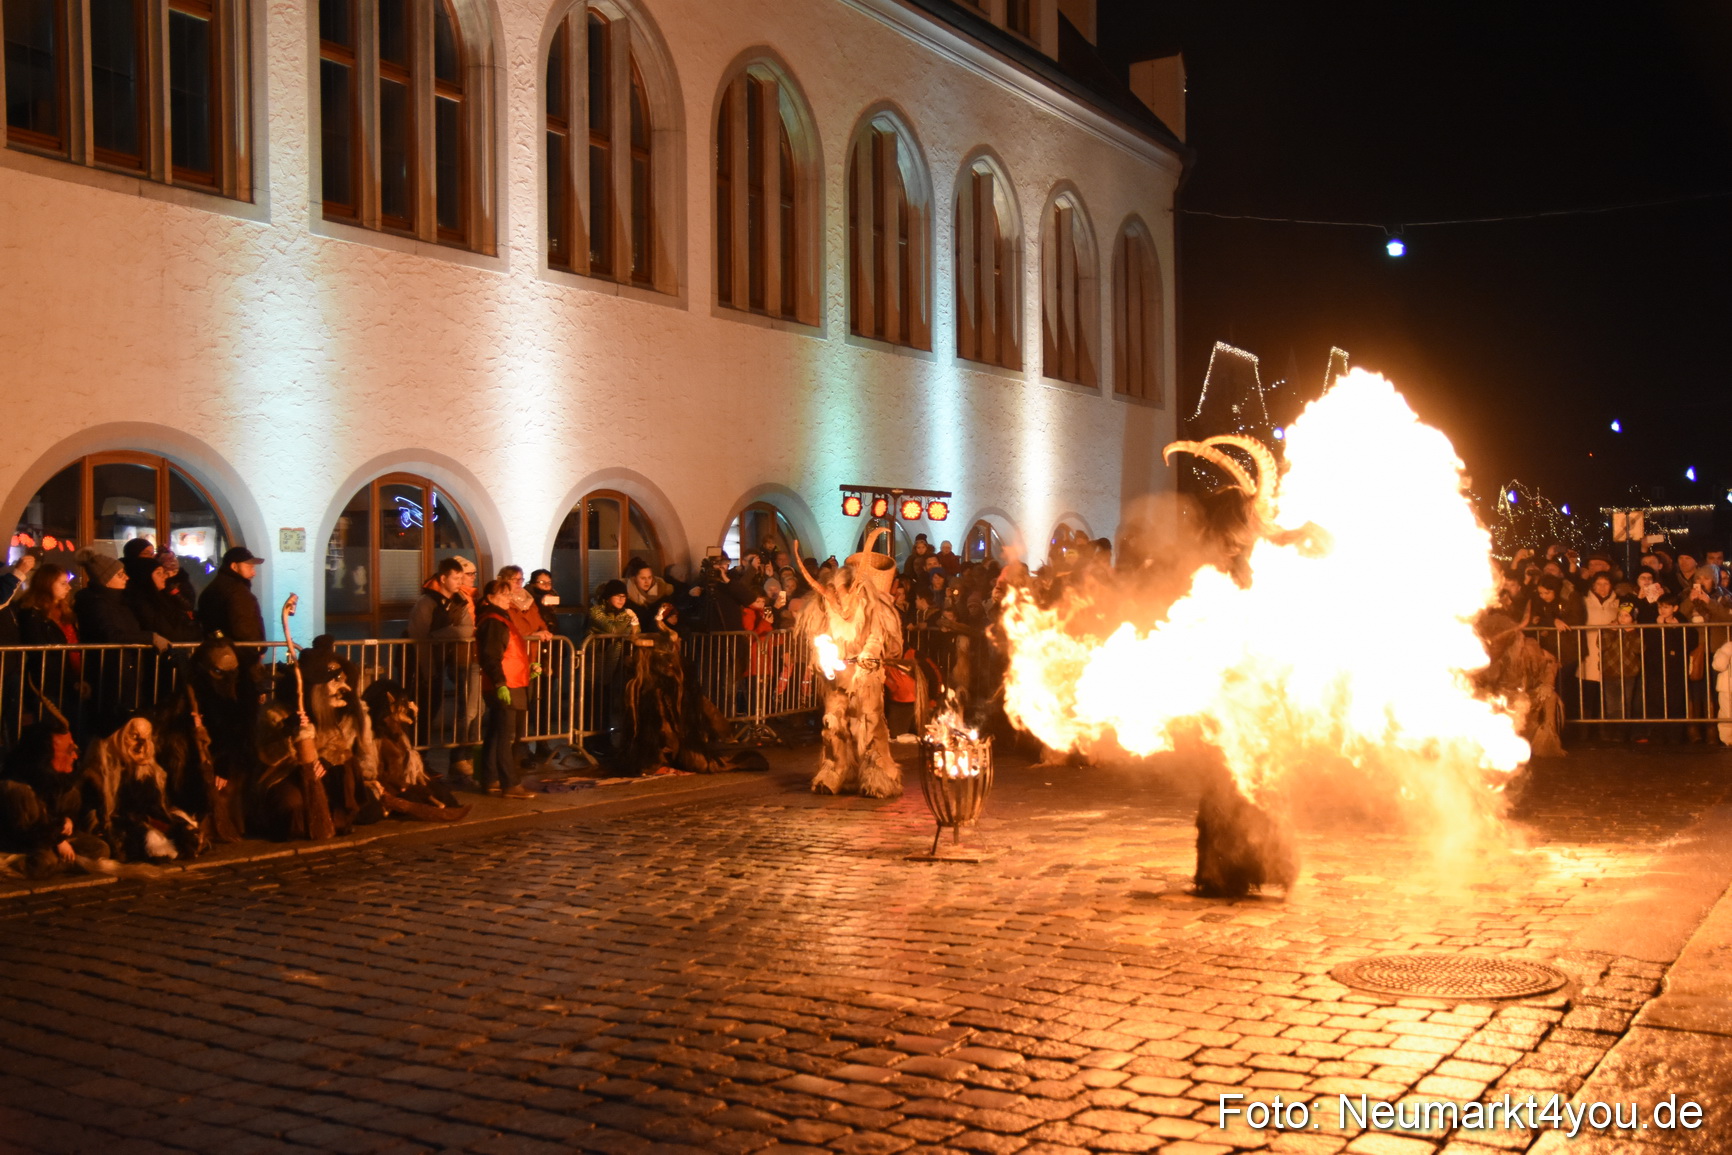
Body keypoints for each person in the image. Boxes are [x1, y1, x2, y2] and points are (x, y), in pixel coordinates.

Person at [0, 719, 109, 878]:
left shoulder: (60, 782)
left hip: (52, 838)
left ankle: (63, 863)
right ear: (44, 756)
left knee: (99, 849)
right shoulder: (16, 788)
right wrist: (58, 838)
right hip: (25, 843)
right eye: (68, 750)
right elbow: (31, 831)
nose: (74, 756)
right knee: (44, 862)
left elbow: (68, 815)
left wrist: (68, 822)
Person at [408, 557, 479, 785]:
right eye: (456, 578)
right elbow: (420, 638)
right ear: (443, 578)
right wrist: (427, 670)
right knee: (419, 714)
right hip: (423, 665)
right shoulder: (426, 603)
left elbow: (468, 629)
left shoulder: (458, 601)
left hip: (442, 662)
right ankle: (414, 758)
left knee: (431, 712)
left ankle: (423, 757)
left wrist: (441, 634)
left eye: (462, 578)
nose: (460, 583)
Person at [476, 579, 535, 798]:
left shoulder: (499, 618)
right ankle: (509, 783)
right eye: (503, 595)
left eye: (509, 595)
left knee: (495, 732)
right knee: (504, 735)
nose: (508, 599)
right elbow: (491, 655)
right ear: (490, 597)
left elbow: (510, 651)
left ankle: (490, 778)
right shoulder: (493, 620)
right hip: (506, 684)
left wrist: (528, 667)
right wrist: (500, 683)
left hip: (512, 681)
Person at [197, 546, 269, 693]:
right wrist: (257, 649)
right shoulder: (237, 592)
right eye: (249, 566)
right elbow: (244, 628)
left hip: (216, 656)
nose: (253, 572)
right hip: (239, 659)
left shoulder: (214, 588)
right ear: (234, 566)